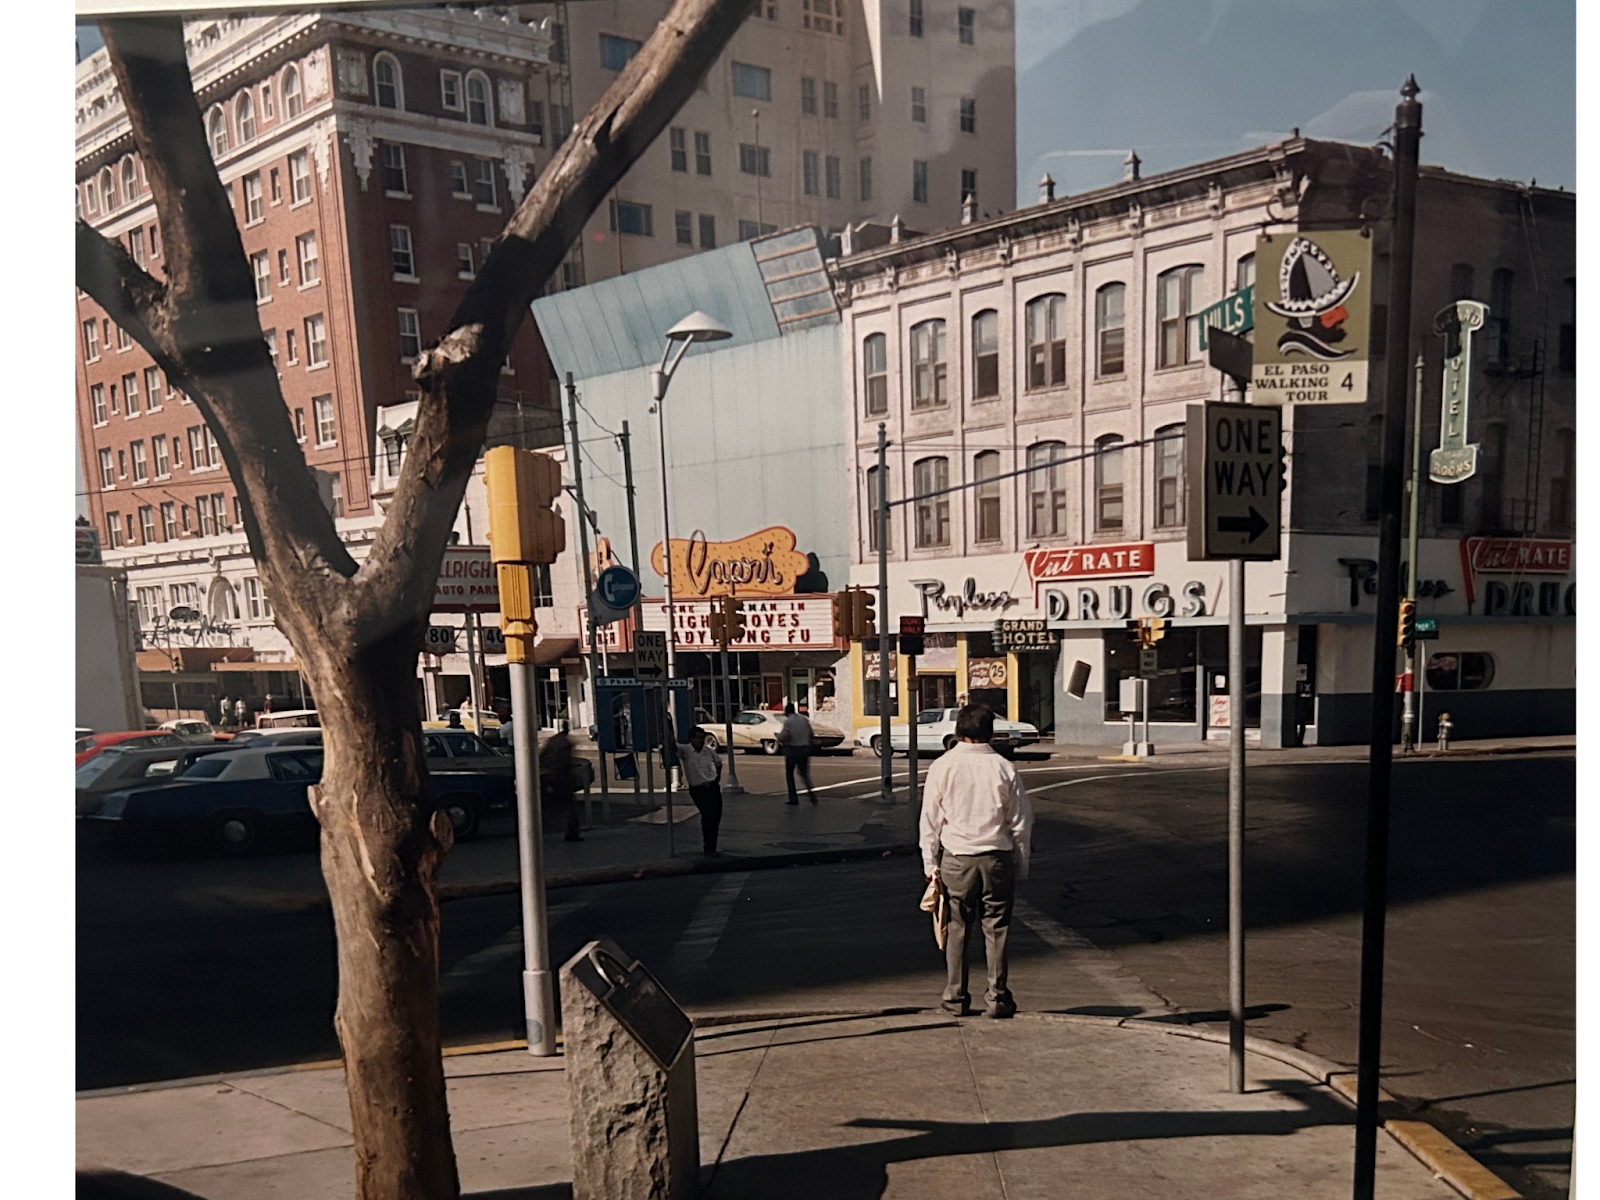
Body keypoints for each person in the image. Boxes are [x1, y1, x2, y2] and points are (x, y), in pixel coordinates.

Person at [919, 703, 1033, 1019]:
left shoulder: (942, 766)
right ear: (990, 732)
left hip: (957, 858)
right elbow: (1021, 822)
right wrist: (1020, 862)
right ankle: (997, 998)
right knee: (997, 928)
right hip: (996, 857)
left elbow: (930, 819)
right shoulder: (1004, 768)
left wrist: (931, 864)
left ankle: (955, 997)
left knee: (956, 928)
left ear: (959, 730)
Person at [675, 726, 724, 857]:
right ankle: (708, 847)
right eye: (698, 738)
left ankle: (711, 847)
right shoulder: (685, 750)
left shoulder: (708, 751)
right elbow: (671, 746)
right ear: (691, 739)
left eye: (702, 738)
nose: (700, 741)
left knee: (715, 816)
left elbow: (719, 762)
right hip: (698, 788)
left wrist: (717, 777)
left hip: (711, 786)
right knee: (708, 815)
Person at [539, 729, 583, 842]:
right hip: (561, 779)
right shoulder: (564, 746)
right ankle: (571, 833)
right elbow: (566, 763)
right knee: (570, 808)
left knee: (549, 806)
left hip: (550, 777)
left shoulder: (551, 743)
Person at [777, 702, 816, 805]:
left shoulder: (788, 722)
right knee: (804, 773)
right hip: (804, 749)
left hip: (793, 749)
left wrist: (778, 736)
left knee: (789, 773)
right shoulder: (803, 719)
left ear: (786, 712)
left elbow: (785, 736)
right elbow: (811, 733)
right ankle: (811, 793)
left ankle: (793, 798)